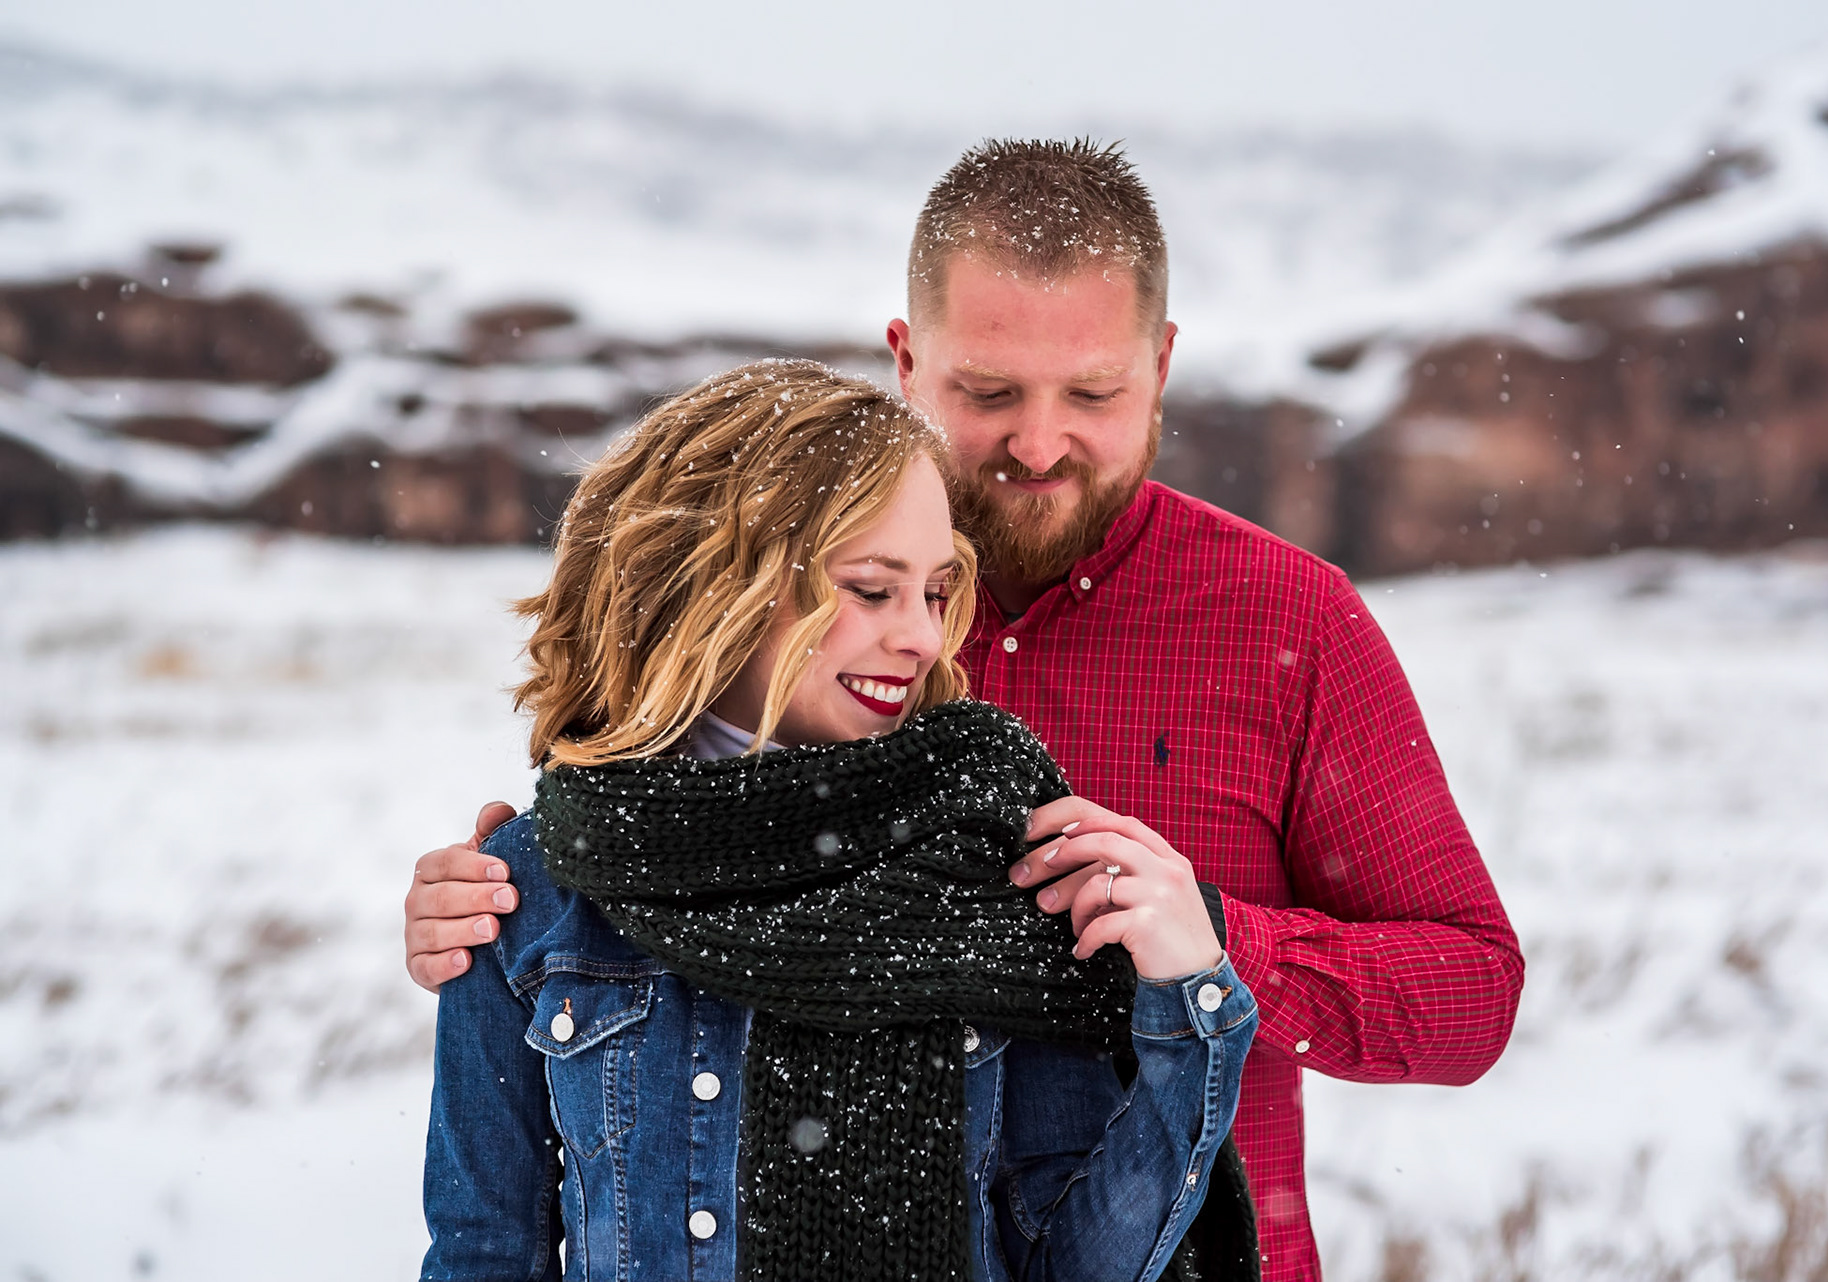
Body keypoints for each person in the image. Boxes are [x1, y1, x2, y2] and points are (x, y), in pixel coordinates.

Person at [407, 141, 1523, 1280]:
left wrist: (1208, 947)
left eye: (1094, 392)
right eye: (987, 394)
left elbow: (1470, 994)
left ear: (1165, 364)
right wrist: (520, 893)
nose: (1039, 444)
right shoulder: (805, 618)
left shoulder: (1290, 624)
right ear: (906, 359)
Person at [421, 359, 1260, 1282]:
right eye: (871, 589)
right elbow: (484, 1252)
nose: (926, 638)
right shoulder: (528, 889)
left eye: (937, 591)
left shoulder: (999, 868)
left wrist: (1190, 1002)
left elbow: (1076, 1266)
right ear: (712, 586)